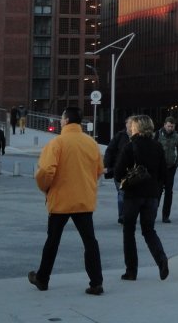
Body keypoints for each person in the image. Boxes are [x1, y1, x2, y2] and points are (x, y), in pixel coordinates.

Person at [28, 106, 104, 296]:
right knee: (90, 241)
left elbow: (46, 171)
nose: (60, 121)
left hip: (61, 200)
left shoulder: (57, 143)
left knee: (52, 241)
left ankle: (43, 278)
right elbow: (99, 170)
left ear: (67, 120)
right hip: (83, 199)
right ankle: (96, 282)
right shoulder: (91, 143)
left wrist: (45, 187)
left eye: (62, 118)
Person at [113, 115, 169, 281]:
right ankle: (161, 260)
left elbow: (118, 172)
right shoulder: (158, 146)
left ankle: (131, 270)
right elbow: (163, 174)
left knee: (129, 231)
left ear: (136, 128)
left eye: (132, 126)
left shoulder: (131, 146)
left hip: (133, 194)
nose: (130, 129)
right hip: (152, 195)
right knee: (149, 230)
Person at [156, 116, 178, 223]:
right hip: (159, 168)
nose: (170, 128)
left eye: (172, 126)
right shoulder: (157, 135)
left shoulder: (177, 137)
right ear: (164, 125)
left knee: (169, 192)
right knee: (157, 191)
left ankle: (166, 215)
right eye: (168, 126)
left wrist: (177, 163)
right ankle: (153, 213)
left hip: (171, 168)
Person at [103, 118, 131, 224]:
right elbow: (110, 150)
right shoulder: (119, 136)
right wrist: (107, 166)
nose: (131, 125)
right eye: (130, 123)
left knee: (130, 194)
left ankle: (128, 213)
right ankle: (122, 216)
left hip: (133, 171)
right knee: (122, 192)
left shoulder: (138, 136)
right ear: (126, 124)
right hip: (119, 169)